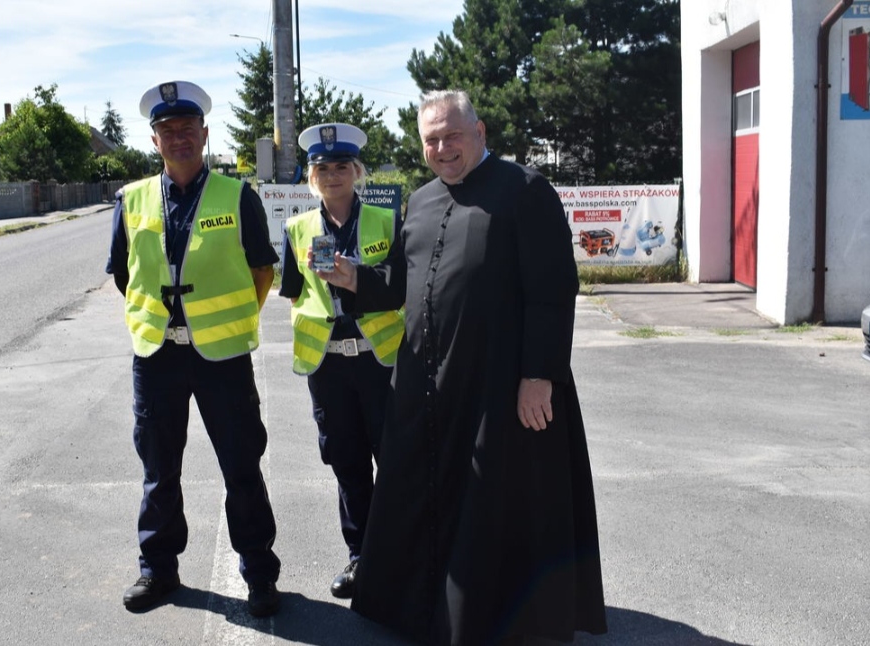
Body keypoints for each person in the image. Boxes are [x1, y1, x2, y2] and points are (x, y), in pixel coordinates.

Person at [315, 90, 608, 644]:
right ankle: (418, 606)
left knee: (493, 506)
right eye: (431, 139)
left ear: (480, 132)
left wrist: (539, 375)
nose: (442, 148)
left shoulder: (525, 192)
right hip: (428, 382)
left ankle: (489, 618)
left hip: (500, 383)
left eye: (452, 135)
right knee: (421, 492)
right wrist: (353, 278)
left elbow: (553, 289)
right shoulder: (421, 201)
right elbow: (400, 282)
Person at [105, 80, 282, 617]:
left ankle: (259, 575)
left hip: (222, 358)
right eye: (167, 130)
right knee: (159, 469)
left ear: (205, 134)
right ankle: (158, 571)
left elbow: (261, 269)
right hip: (156, 356)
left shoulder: (237, 194)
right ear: (154, 140)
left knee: (241, 468)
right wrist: (164, 322)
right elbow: (123, 274)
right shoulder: (131, 199)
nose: (178, 137)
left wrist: (222, 323)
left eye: (187, 128)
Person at [278, 123, 404, 599]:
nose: (332, 176)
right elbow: (293, 297)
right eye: (322, 168)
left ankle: (403, 554)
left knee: (394, 460)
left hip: (382, 362)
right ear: (312, 177)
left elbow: (403, 288)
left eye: (341, 167)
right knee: (347, 464)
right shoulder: (296, 229)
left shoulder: (385, 222)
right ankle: (362, 557)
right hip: (328, 368)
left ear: (357, 172)